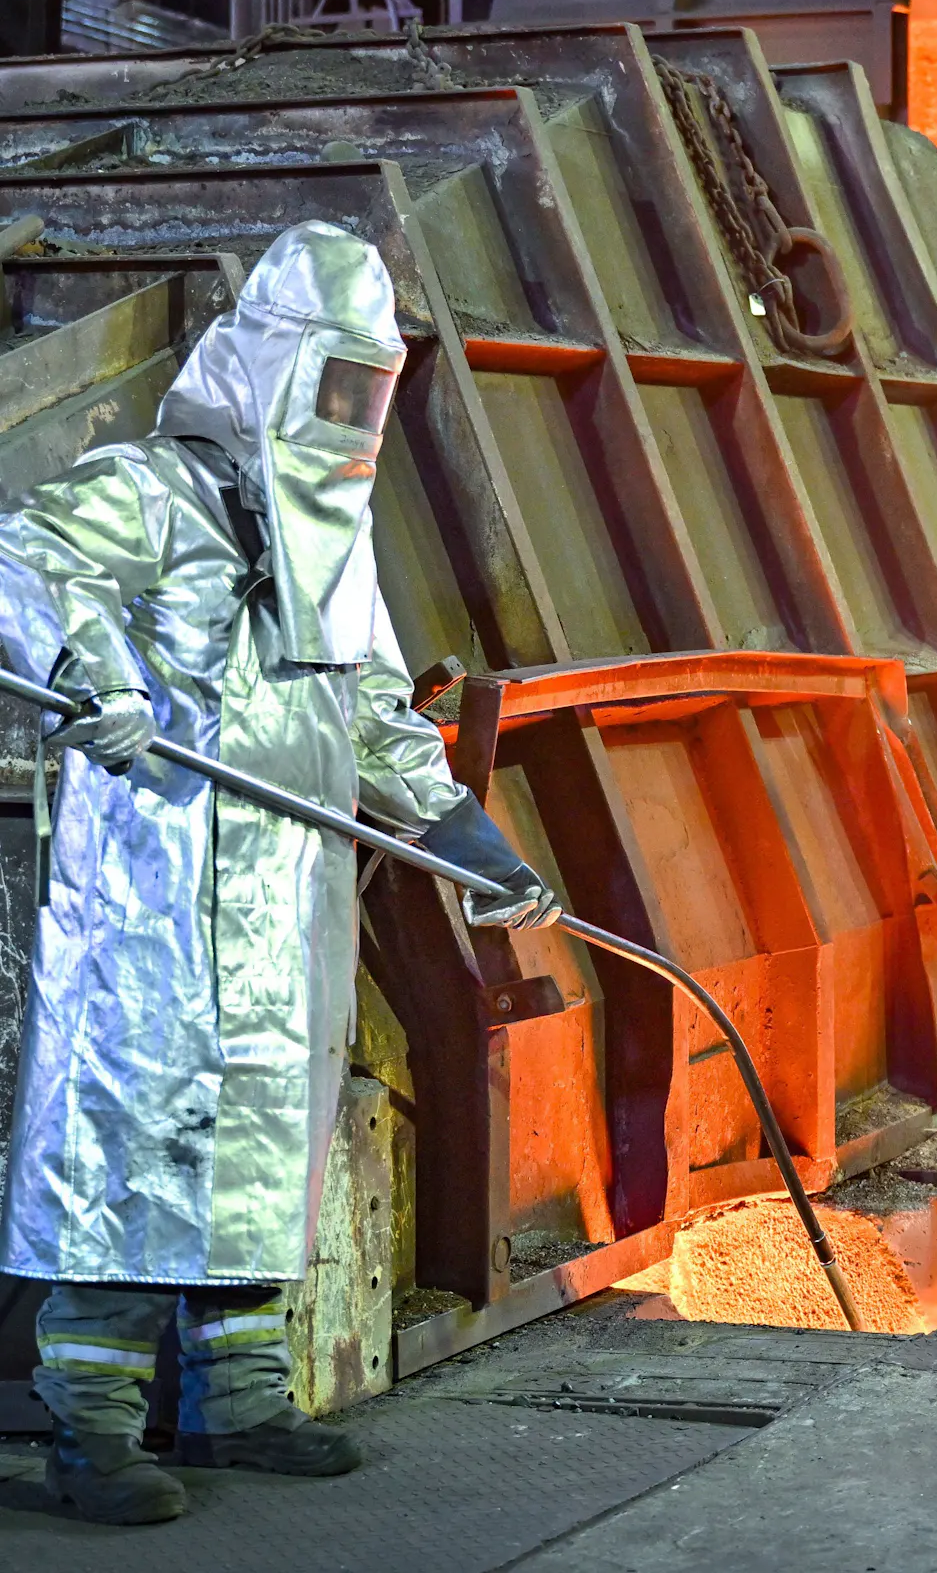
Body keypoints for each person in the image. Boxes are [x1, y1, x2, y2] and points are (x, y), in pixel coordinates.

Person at [0, 221, 561, 1525]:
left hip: (284, 903)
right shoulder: (151, 492)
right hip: (153, 902)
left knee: (260, 1151)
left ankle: (238, 1405)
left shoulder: (335, 548)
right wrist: (95, 672)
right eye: (338, 386)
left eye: (375, 390)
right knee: (127, 1148)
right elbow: (21, 558)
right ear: (271, 369)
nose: (357, 418)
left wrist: (456, 831)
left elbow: (369, 711)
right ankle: (91, 1432)